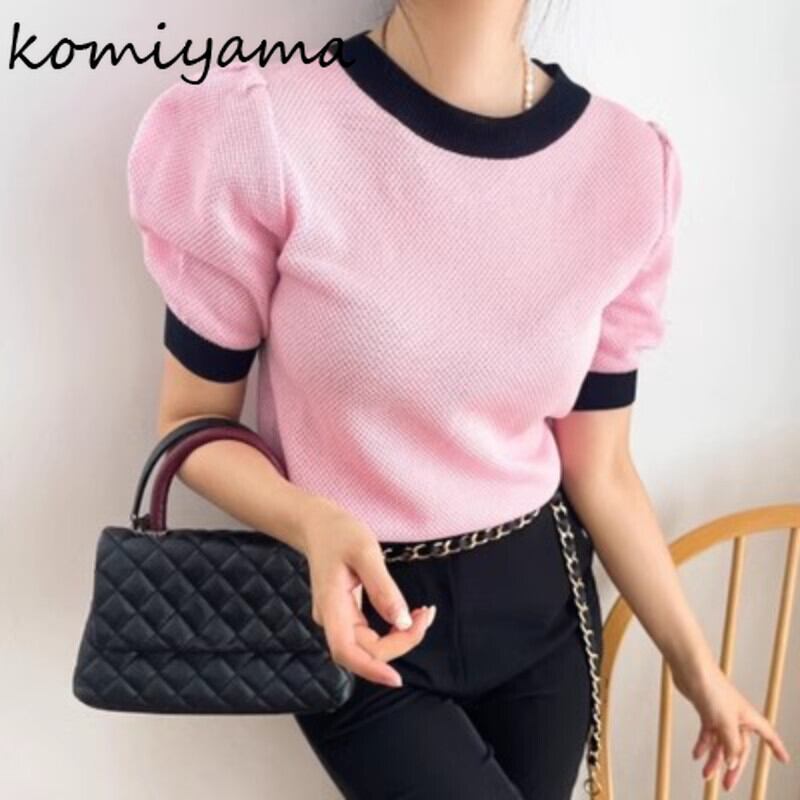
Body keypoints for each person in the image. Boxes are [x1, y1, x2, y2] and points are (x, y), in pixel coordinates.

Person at [126, 2, 791, 798]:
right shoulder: (264, 133)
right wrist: (310, 520)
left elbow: (603, 470)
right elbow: (191, 423)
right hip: (357, 617)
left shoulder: (626, 168)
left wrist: (697, 669)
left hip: (543, 610)